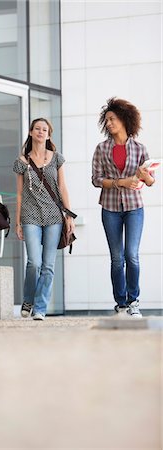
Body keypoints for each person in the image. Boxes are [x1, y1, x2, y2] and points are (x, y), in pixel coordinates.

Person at [92, 97, 155, 318]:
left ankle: (134, 301)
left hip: (134, 207)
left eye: (112, 119)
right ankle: (120, 304)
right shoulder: (101, 149)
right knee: (117, 258)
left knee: (132, 255)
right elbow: (96, 179)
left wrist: (145, 176)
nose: (109, 123)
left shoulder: (139, 148)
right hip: (110, 208)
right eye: (106, 120)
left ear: (124, 120)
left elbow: (150, 181)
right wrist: (121, 182)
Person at [13, 118, 75, 320]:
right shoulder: (22, 161)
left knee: (48, 264)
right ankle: (28, 299)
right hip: (30, 215)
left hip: (54, 216)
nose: (41, 132)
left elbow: (63, 187)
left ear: (49, 135)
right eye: (37, 129)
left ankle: (40, 308)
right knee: (34, 262)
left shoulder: (57, 158)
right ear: (31, 132)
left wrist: (69, 215)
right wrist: (18, 222)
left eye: (44, 129)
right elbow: (20, 194)